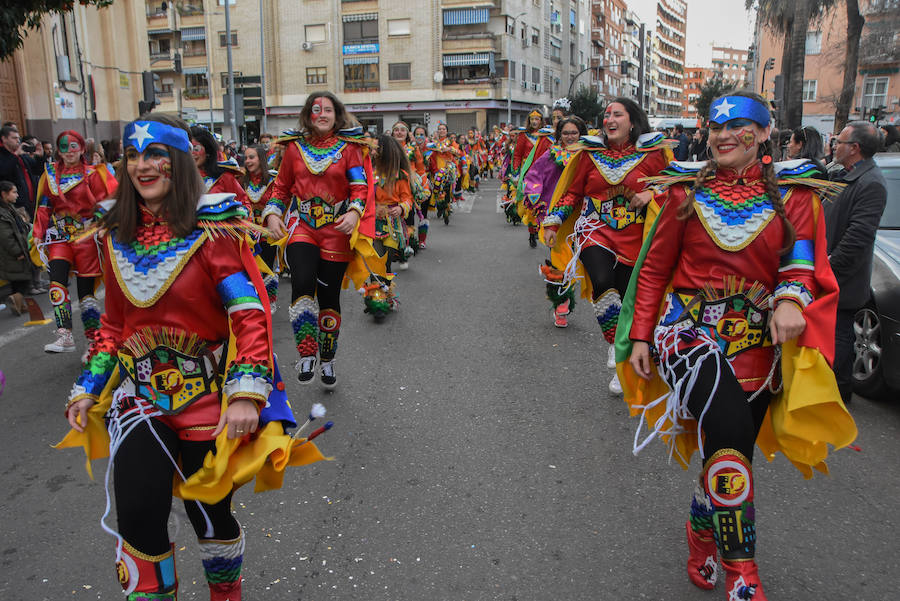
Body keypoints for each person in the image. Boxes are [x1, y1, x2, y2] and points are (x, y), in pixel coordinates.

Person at [58, 113, 327, 601]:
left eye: (155, 154)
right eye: (134, 156)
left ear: (179, 161)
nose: (143, 166)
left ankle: (226, 593)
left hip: (206, 400)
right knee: (138, 515)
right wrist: (89, 386)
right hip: (140, 399)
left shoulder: (213, 231)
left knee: (212, 516)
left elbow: (248, 315)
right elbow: (114, 326)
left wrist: (246, 393)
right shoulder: (114, 235)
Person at [621, 92, 856, 601]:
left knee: (732, 450)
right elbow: (655, 268)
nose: (724, 137)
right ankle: (742, 572)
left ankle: (702, 526)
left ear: (765, 133)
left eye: (740, 128)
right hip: (687, 333)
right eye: (716, 128)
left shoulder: (795, 196)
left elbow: (799, 262)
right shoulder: (683, 190)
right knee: (727, 437)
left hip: (756, 344)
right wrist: (641, 332)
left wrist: (791, 300)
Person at [542, 97, 672, 394]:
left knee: (628, 298)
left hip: (635, 237)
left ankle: (623, 366)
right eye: (607, 115)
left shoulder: (654, 154)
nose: (610, 119)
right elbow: (572, 193)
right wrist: (553, 223)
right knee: (601, 280)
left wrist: (652, 194)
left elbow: (673, 184)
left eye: (617, 114)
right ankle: (614, 344)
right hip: (594, 230)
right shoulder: (589, 154)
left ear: (633, 121)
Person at [263, 91, 378, 388]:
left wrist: (354, 213)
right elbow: (281, 188)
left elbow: (359, 187)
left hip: (336, 232)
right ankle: (306, 353)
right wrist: (273, 215)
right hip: (303, 228)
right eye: (317, 109)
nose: (323, 114)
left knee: (329, 299)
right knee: (301, 282)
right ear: (308, 114)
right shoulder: (293, 148)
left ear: (337, 114)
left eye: (328, 109)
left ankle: (327, 358)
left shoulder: (350, 148)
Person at [32, 129, 117, 354]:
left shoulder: (94, 174)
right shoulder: (50, 175)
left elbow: (106, 202)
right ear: (58, 151)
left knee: (85, 292)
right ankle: (65, 334)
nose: (69, 152)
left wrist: (99, 223)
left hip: (86, 237)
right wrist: (38, 231)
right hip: (59, 236)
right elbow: (44, 206)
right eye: (63, 147)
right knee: (56, 281)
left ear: (81, 148)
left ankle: (93, 341)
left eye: (73, 146)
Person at [825, 121, 888, 405]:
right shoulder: (847, 175)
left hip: (842, 279)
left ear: (855, 148)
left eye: (839, 141)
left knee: (839, 337)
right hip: (833, 274)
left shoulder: (871, 182)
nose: (834, 145)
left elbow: (857, 237)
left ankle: (837, 394)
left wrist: (828, 267)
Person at [521, 116, 587, 328]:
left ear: (581, 134)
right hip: (557, 217)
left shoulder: (591, 156)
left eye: (573, 133)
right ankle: (561, 306)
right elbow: (533, 175)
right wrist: (534, 196)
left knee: (581, 260)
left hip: (585, 216)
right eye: (565, 133)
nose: (569, 137)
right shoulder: (550, 155)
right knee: (560, 260)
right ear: (559, 135)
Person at [363, 134, 414, 319]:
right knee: (375, 260)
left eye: (377, 149)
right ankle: (377, 297)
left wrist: (401, 208)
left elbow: (408, 198)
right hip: (371, 224)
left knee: (386, 260)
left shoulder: (400, 175)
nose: (373, 152)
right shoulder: (367, 171)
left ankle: (385, 293)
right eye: (372, 148)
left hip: (392, 226)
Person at [242, 143, 280, 310]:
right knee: (249, 269)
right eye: (246, 158)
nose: (248, 161)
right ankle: (253, 301)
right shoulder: (240, 181)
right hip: (247, 234)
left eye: (252, 157)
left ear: (261, 159)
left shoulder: (273, 180)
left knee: (267, 268)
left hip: (267, 233)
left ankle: (268, 301)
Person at [189, 126, 250, 208]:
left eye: (196, 148)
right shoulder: (179, 179)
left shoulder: (224, 177)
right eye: (188, 149)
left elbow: (244, 203)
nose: (191, 153)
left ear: (208, 151)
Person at [0, 180, 32, 315]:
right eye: (14, 192)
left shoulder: (9, 208)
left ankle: (20, 305)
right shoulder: (2, 213)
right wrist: (17, 251)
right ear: (4, 194)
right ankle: (16, 298)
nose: (17, 195)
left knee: (16, 279)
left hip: (15, 249)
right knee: (24, 278)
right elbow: (5, 236)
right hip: (11, 252)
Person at [425, 122, 460, 228]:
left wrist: (449, 149)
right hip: (436, 167)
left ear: (447, 131)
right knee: (437, 188)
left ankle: (446, 208)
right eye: (440, 129)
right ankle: (440, 206)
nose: (441, 130)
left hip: (448, 167)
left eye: (443, 129)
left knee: (447, 189)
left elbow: (458, 152)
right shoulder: (433, 143)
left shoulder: (450, 142)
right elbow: (428, 153)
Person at [0, 125, 35, 217]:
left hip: (30, 201)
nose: (18, 141)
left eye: (18, 138)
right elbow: (3, 171)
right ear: (4, 139)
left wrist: (39, 156)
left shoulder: (21, 155)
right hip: (14, 204)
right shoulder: (5, 155)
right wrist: (15, 155)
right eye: (14, 138)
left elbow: (36, 168)